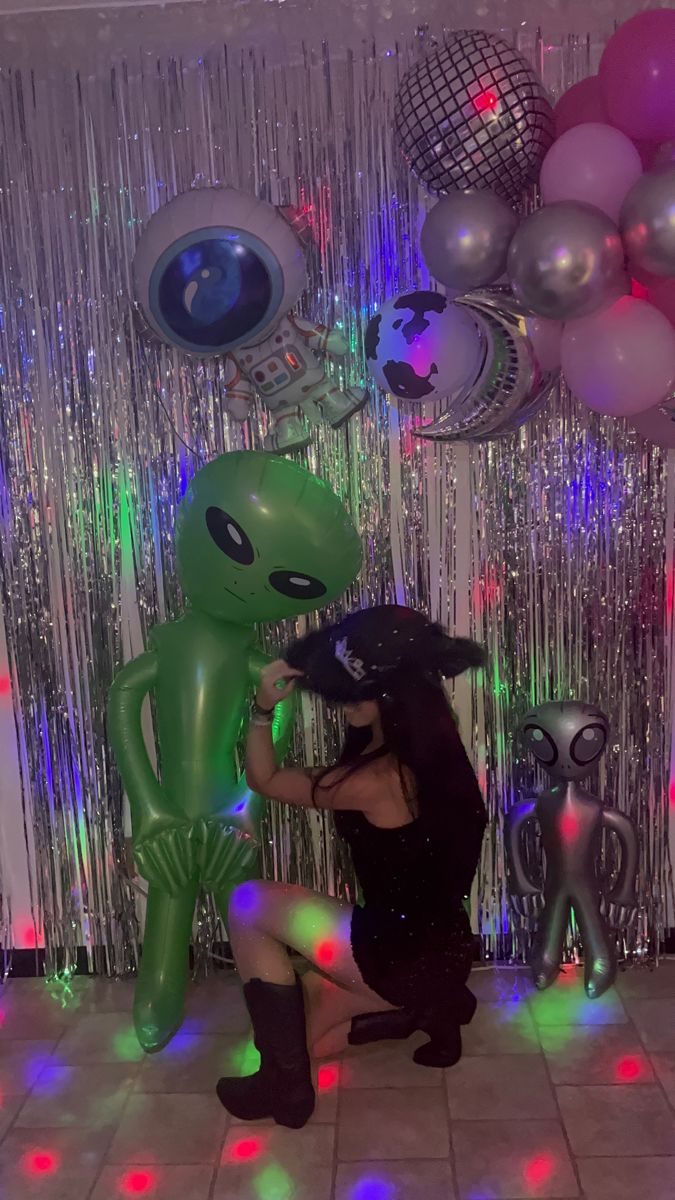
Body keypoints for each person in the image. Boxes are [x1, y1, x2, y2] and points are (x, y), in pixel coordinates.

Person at [216, 605, 487, 1129]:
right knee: (306, 1034)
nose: (342, 707)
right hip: (446, 952)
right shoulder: (441, 754)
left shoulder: (377, 780)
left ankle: (285, 1088)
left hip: (392, 954)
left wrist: (261, 707)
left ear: (388, 697)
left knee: (247, 903)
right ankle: (422, 1012)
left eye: (351, 694)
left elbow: (264, 779)